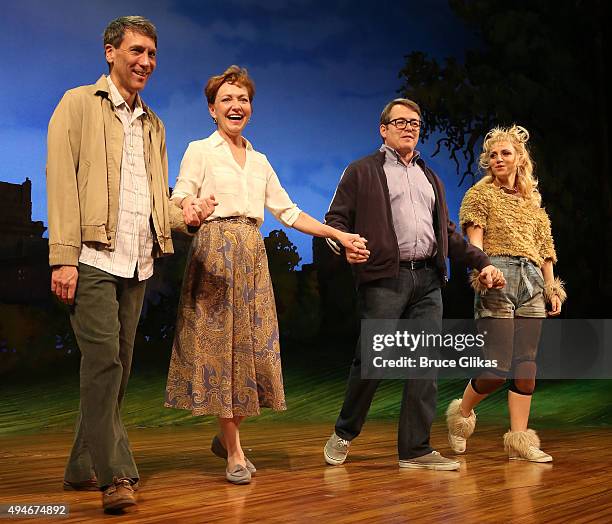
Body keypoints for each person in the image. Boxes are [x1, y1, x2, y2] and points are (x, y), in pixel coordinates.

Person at [164, 65, 368, 485]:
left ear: (251, 109)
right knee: (221, 351)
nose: (235, 106)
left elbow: (289, 212)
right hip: (215, 252)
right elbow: (180, 195)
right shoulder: (200, 150)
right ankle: (234, 452)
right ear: (211, 109)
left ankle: (228, 435)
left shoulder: (259, 161)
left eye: (242, 99)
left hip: (252, 253)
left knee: (253, 350)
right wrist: (191, 208)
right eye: (226, 100)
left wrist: (337, 234)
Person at [46, 16, 214, 512]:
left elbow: (151, 203)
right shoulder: (77, 105)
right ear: (110, 52)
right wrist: (63, 258)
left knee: (115, 373)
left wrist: (187, 215)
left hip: (137, 265)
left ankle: (81, 465)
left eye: (152, 55)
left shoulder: (154, 125)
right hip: (91, 259)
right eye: (137, 51)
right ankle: (116, 475)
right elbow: (60, 184)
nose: (145, 62)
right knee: (104, 365)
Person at [322, 98, 505, 471]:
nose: (409, 127)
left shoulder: (430, 178)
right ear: (383, 129)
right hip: (384, 279)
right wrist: (345, 246)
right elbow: (334, 222)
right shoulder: (361, 171)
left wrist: (482, 261)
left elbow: (448, 235)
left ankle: (415, 449)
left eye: (416, 123)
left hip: (427, 279)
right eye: (401, 121)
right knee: (372, 360)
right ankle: (344, 431)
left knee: (424, 362)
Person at [445, 125, 565, 462]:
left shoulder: (534, 206)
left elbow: (545, 250)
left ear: (519, 159)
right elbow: (475, 241)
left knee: (526, 366)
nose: (498, 159)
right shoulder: (479, 196)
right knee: (496, 369)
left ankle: (519, 439)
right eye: (493, 155)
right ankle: (462, 414)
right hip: (497, 277)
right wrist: (483, 268)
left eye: (505, 153)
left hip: (531, 282)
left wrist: (551, 287)